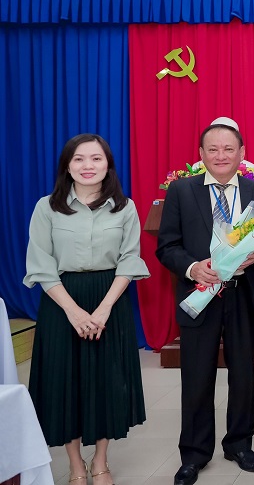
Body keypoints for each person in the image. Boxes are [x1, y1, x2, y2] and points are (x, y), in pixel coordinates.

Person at [156, 117, 254, 485]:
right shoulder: (182, 191)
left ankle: (239, 444)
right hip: (199, 294)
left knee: (243, 376)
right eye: (213, 149)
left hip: (243, 294)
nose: (221, 155)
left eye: (228, 149)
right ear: (201, 154)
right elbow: (167, 246)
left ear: (242, 153)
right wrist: (193, 268)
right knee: (196, 375)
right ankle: (194, 454)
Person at [25, 134, 149, 485]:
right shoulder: (46, 207)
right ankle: (75, 463)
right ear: (67, 166)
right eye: (79, 159)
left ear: (108, 165)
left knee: (107, 381)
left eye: (96, 158)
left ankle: (101, 461)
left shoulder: (125, 207)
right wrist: (74, 312)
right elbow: (41, 265)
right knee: (65, 382)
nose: (88, 166)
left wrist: (105, 308)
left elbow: (129, 260)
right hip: (61, 301)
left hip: (110, 298)